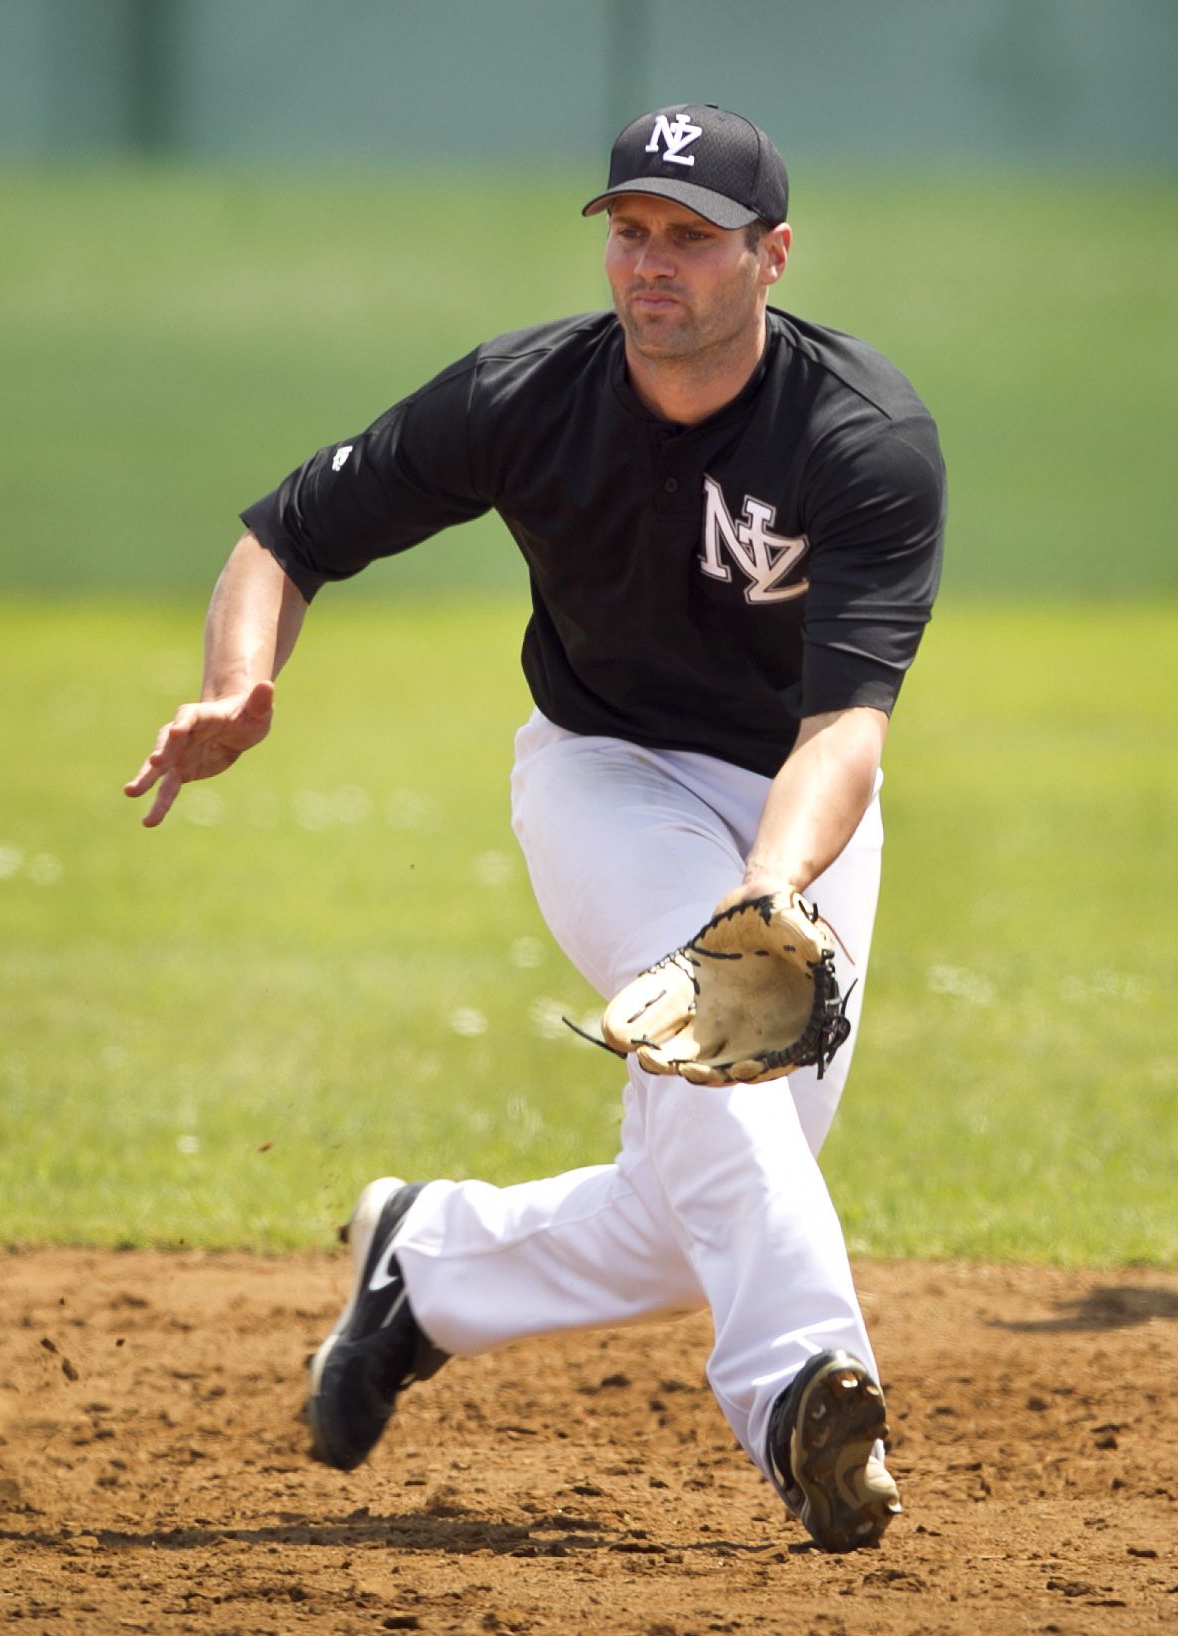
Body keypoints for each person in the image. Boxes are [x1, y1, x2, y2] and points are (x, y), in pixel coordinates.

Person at [126, 103, 945, 1553]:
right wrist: (237, 683)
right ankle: (807, 1396)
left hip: (797, 805)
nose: (652, 261)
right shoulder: (524, 396)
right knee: (733, 1102)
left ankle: (426, 1264)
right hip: (604, 772)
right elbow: (289, 535)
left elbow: (848, 731)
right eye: (632, 230)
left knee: (706, 1180)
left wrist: (765, 899)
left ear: (774, 256)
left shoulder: (858, 435)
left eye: (691, 236)